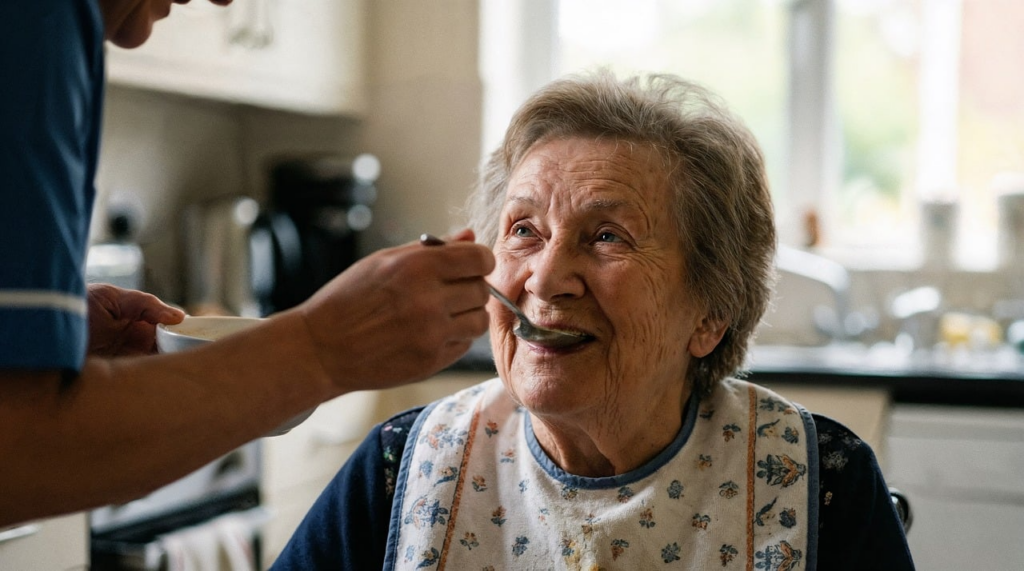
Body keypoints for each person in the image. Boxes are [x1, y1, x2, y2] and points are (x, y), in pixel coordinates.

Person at [270, 71, 916, 570]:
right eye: (524, 230)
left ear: (711, 315)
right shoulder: (402, 465)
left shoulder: (820, 479)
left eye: (608, 237)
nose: (546, 279)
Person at [0, 0, 494, 528]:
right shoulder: (41, 21)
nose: (225, 3)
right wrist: (320, 349)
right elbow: (20, 451)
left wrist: (52, 334)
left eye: (599, 236)